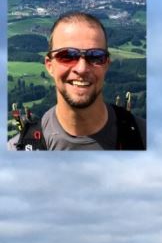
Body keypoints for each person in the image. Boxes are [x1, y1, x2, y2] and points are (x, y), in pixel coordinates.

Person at [8, 11, 145, 151]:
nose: (82, 68)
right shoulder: (19, 149)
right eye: (67, 56)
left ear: (106, 65)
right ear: (49, 66)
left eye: (95, 56)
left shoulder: (144, 137)